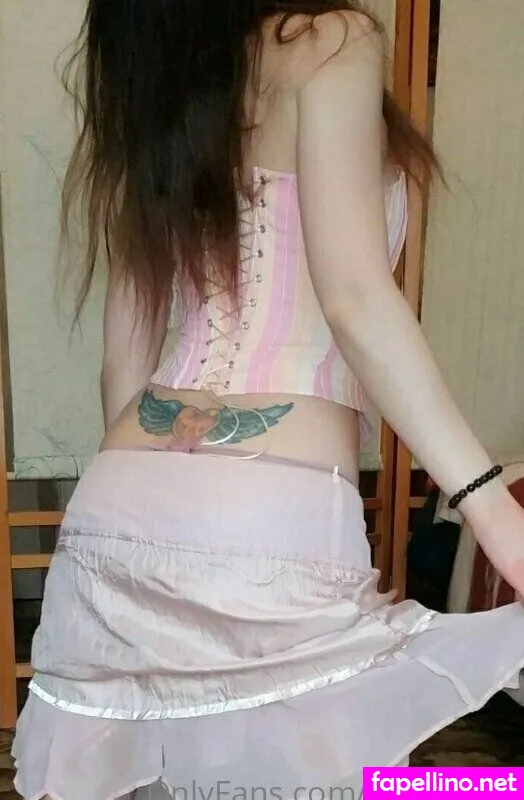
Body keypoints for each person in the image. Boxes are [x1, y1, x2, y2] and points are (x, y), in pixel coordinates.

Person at [13, 2, 524, 799]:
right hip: (269, 511)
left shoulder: (163, 78)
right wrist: (496, 514)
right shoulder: (329, 40)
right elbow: (354, 297)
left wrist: (143, 516)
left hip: (120, 499)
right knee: (314, 774)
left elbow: (124, 357)